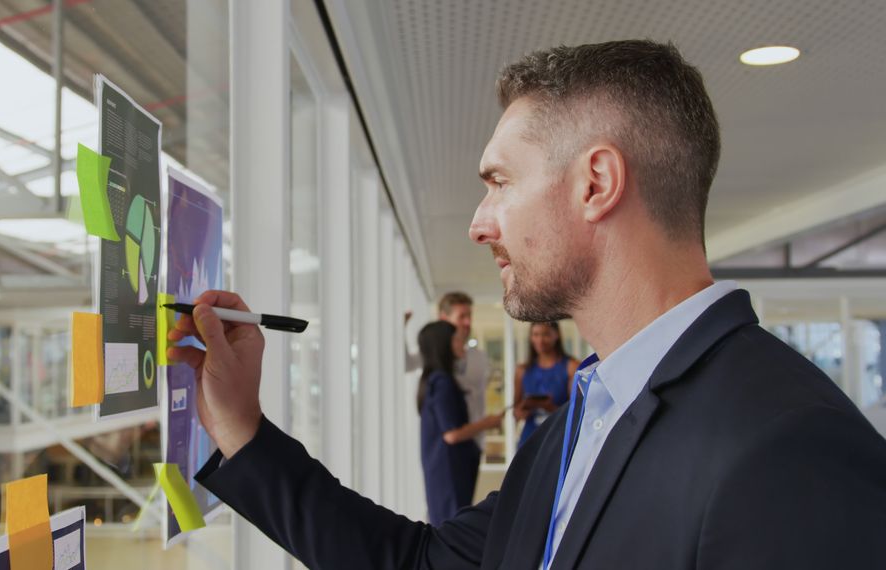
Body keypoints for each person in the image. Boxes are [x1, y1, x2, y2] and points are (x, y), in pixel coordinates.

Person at [168, 40, 886, 568]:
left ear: (595, 183)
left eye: (500, 183)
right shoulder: (576, 423)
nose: (480, 222)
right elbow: (419, 565)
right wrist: (241, 428)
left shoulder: (789, 448)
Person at [416, 321, 503, 525]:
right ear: (443, 344)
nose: (461, 344)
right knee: (451, 523)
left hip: (445, 467)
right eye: (456, 339)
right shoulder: (442, 382)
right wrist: (487, 423)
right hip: (449, 469)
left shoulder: (434, 380)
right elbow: (452, 434)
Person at [406, 292, 491, 450]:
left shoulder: (479, 358)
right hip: (449, 445)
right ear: (443, 319)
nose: (468, 322)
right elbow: (406, 364)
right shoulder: (439, 375)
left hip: (474, 442)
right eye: (462, 316)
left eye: (470, 316)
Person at [512, 322, 580, 449]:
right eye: (535, 335)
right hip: (530, 437)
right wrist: (521, 411)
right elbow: (516, 410)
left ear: (556, 335)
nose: (540, 340)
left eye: (546, 334)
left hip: (559, 437)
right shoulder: (522, 370)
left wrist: (551, 408)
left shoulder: (571, 367)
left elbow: (577, 414)